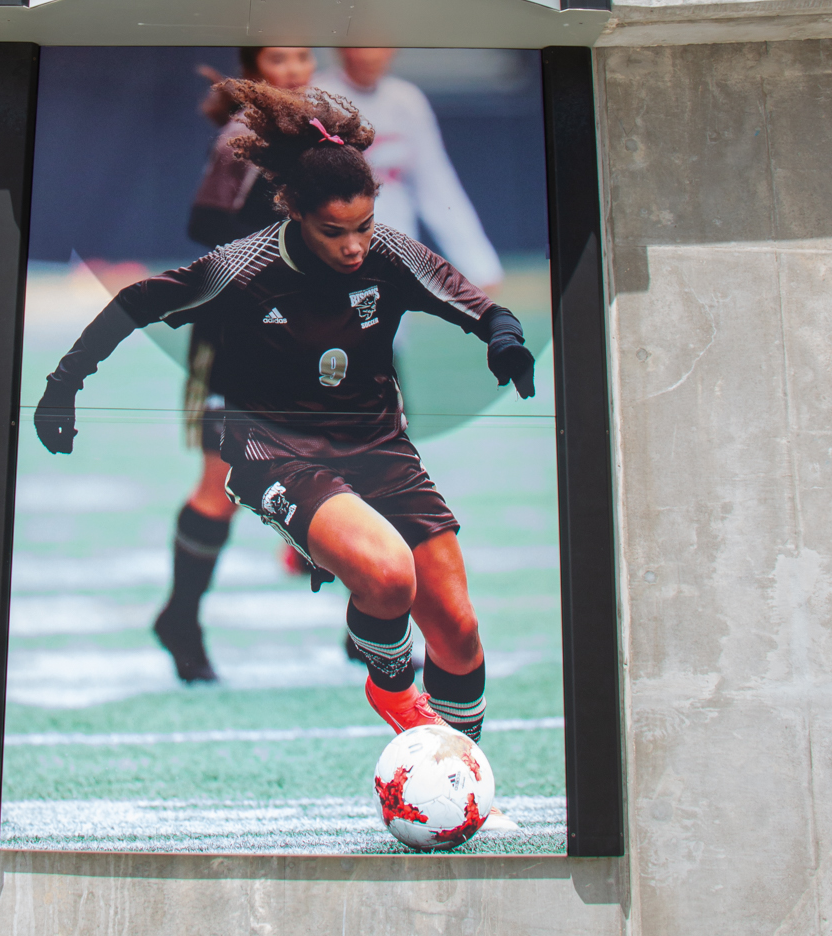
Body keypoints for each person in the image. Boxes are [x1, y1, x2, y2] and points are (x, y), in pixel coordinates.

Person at [34, 83, 536, 742]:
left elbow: (482, 308)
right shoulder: (243, 268)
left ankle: (462, 768)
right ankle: (392, 688)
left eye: (363, 225)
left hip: (380, 447)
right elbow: (134, 301)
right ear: (296, 212)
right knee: (388, 575)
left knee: (459, 629)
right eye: (335, 231)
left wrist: (505, 341)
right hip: (277, 452)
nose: (355, 245)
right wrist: (63, 384)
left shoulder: (388, 251)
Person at [153, 45, 317, 684]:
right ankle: (181, 618)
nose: (296, 70)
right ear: (255, 72)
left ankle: (365, 630)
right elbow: (205, 224)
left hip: (307, 332)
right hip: (241, 334)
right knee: (219, 485)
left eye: (304, 56)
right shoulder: (245, 136)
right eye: (280, 59)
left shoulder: (320, 129)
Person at [331, 48, 503, 292]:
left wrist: (480, 266)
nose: (370, 56)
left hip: (396, 247)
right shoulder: (318, 95)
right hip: (337, 247)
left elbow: (437, 184)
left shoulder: (407, 99)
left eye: (378, 45)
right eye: (360, 45)